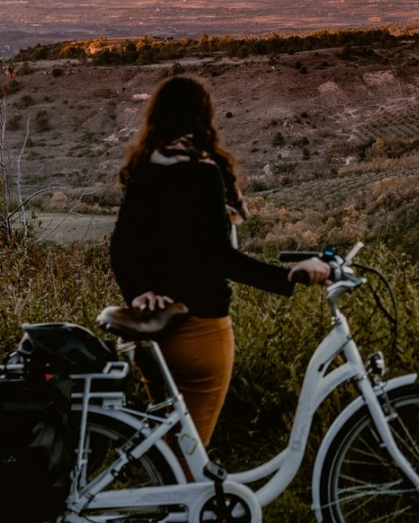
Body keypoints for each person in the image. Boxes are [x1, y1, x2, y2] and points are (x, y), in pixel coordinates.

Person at [109, 75, 330, 451]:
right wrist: (288, 276)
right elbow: (216, 256)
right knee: (188, 460)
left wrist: (139, 291)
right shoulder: (203, 172)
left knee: (165, 452)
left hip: (150, 335)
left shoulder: (144, 168)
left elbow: (121, 246)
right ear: (203, 116)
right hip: (199, 330)